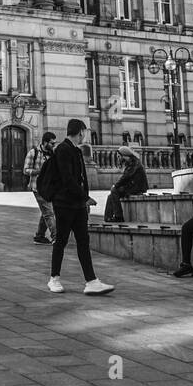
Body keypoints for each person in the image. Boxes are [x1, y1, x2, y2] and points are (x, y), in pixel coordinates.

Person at [46, 119, 114, 295]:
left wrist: (84, 200)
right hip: (64, 204)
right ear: (81, 131)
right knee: (61, 241)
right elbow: (68, 179)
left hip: (77, 205)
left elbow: (81, 179)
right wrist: (86, 198)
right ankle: (54, 278)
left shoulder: (75, 150)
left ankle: (91, 281)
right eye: (85, 131)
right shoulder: (63, 150)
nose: (86, 134)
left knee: (83, 242)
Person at [24, 132, 58, 243]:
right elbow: (25, 170)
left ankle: (39, 236)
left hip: (50, 188)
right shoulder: (33, 153)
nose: (53, 145)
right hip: (37, 187)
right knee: (49, 212)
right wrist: (39, 171)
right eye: (52, 143)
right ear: (45, 142)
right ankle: (56, 238)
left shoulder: (53, 154)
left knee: (46, 211)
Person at [102, 145, 148, 223]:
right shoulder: (130, 162)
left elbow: (126, 177)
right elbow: (126, 177)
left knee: (114, 190)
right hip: (132, 186)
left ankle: (119, 216)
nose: (118, 158)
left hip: (138, 187)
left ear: (124, 155)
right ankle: (108, 218)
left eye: (119, 156)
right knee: (111, 195)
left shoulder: (135, 163)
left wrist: (116, 185)